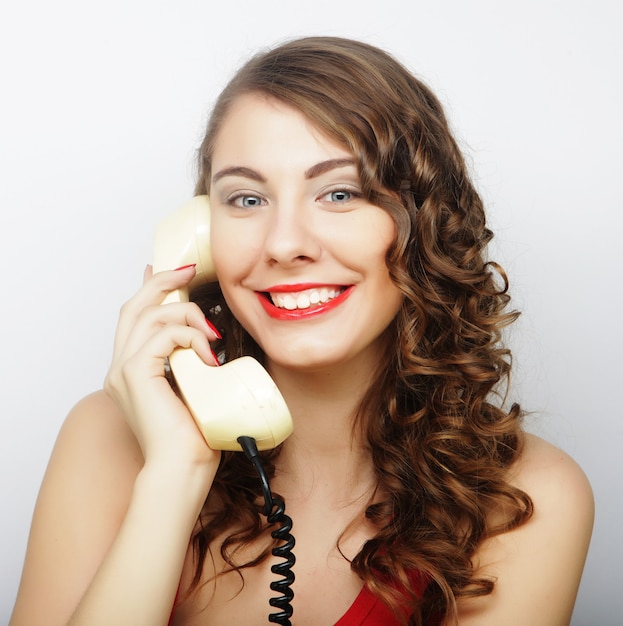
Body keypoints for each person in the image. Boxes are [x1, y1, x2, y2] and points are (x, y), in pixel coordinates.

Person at [10, 36, 594, 626]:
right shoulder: (107, 441)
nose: (285, 244)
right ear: (204, 235)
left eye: (339, 193)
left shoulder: (527, 499)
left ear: (424, 225)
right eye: (246, 198)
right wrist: (174, 476)